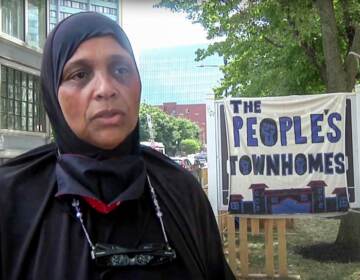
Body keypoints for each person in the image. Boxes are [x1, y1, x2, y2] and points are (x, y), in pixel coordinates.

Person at [0, 12, 235, 280]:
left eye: (121, 69)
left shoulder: (181, 190)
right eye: (80, 74)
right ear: (53, 92)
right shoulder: (11, 199)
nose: (106, 88)